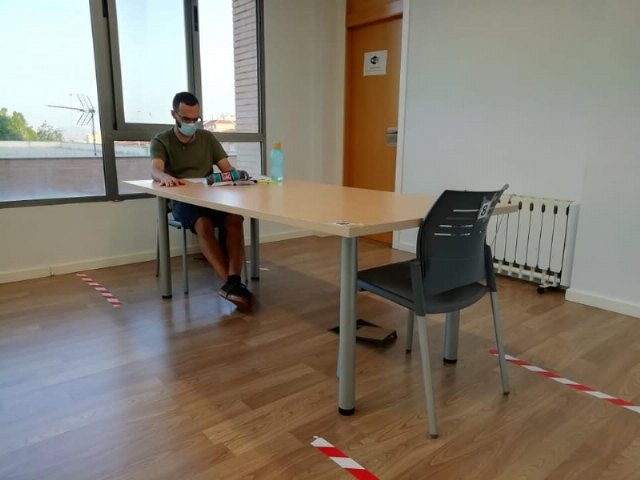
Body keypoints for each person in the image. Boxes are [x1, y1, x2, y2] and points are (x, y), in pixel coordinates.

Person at [150, 91, 254, 311]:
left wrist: (237, 176)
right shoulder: (161, 140)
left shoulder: (207, 138)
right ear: (174, 115)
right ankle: (232, 285)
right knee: (203, 223)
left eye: (195, 119)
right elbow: (155, 169)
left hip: (210, 196)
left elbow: (226, 168)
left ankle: (233, 282)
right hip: (181, 199)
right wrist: (164, 177)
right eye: (186, 119)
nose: (191, 123)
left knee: (235, 218)